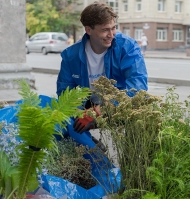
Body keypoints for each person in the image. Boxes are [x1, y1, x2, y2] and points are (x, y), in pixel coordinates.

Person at [56, 2, 148, 149]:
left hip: (117, 105)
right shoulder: (70, 55)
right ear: (88, 30)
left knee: (143, 111)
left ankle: (132, 161)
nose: (111, 35)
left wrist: (101, 110)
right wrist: (80, 114)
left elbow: (138, 87)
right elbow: (64, 92)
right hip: (86, 106)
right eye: (105, 30)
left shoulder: (127, 47)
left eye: (113, 28)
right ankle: (91, 150)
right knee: (60, 119)